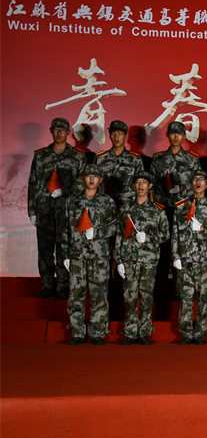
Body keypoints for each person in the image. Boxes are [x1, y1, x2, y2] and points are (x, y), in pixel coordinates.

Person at [28, 117, 87, 298]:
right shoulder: (41, 155)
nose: (59, 133)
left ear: (68, 132)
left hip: (66, 211)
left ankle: (62, 287)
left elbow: (82, 183)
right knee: (45, 251)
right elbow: (33, 183)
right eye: (56, 130)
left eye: (62, 130)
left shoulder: (77, 156)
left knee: (64, 249)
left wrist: (65, 191)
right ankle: (48, 285)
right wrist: (32, 210)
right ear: (51, 131)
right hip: (44, 210)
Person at [60, 164, 117, 345]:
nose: (91, 179)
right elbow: (65, 228)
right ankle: (77, 332)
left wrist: (98, 232)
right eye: (88, 176)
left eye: (95, 176)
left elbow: (115, 226)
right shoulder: (72, 201)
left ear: (100, 180)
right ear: (82, 178)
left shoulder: (107, 201)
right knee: (76, 293)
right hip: (77, 254)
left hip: (99, 255)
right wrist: (65, 254)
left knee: (99, 293)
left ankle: (98, 332)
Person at [115, 171, 169, 345]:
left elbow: (166, 234)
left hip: (149, 259)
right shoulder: (125, 209)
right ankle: (130, 332)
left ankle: (144, 331)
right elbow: (119, 235)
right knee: (130, 296)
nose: (140, 186)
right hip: (129, 258)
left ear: (150, 186)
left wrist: (150, 237)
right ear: (133, 185)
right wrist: (119, 261)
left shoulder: (157, 210)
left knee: (146, 296)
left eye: (144, 182)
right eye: (137, 182)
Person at [172, 170, 207, 344]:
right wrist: (175, 256)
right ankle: (186, 333)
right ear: (191, 184)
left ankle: (200, 332)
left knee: (203, 298)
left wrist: (203, 229)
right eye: (195, 179)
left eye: (202, 179)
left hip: (204, 259)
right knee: (186, 298)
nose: (198, 182)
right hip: (186, 259)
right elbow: (175, 234)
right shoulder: (181, 207)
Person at [94, 120, 144, 210]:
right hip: (104, 205)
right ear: (109, 136)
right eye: (113, 134)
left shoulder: (135, 159)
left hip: (128, 206)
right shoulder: (100, 158)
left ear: (126, 136)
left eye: (120, 134)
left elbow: (141, 184)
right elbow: (93, 183)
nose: (116, 137)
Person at [150, 121, 200, 208]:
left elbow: (198, 184)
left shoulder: (192, 159)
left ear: (184, 136)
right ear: (167, 135)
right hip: (162, 206)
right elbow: (151, 184)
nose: (176, 137)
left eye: (179, 134)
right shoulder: (158, 158)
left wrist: (182, 188)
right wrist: (152, 205)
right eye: (173, 133)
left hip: (185, 206)